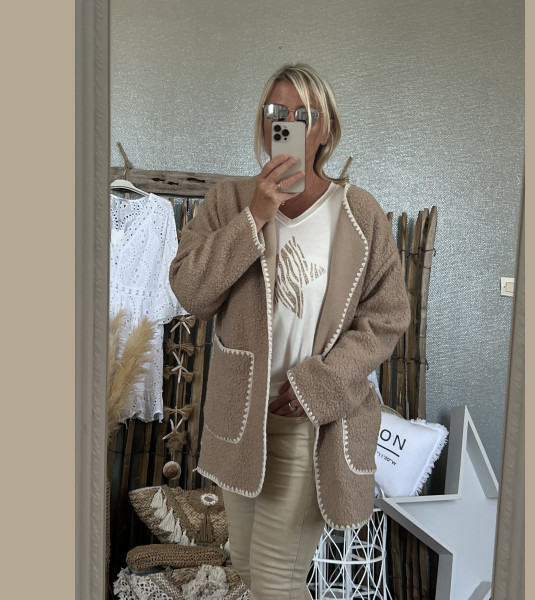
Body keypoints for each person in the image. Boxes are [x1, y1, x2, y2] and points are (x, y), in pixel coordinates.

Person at [169, 63, 410, 600]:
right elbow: (190, 290)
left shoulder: (358, 213)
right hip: (243, 422)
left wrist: (317, 385)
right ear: (263, 122)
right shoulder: (229, 202)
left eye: (305, 115)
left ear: (325, 129)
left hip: (311, 423)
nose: (289, 123)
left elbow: (388, 315)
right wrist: (255, 216)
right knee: (247, 569)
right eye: (277, 112)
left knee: (277, 578)